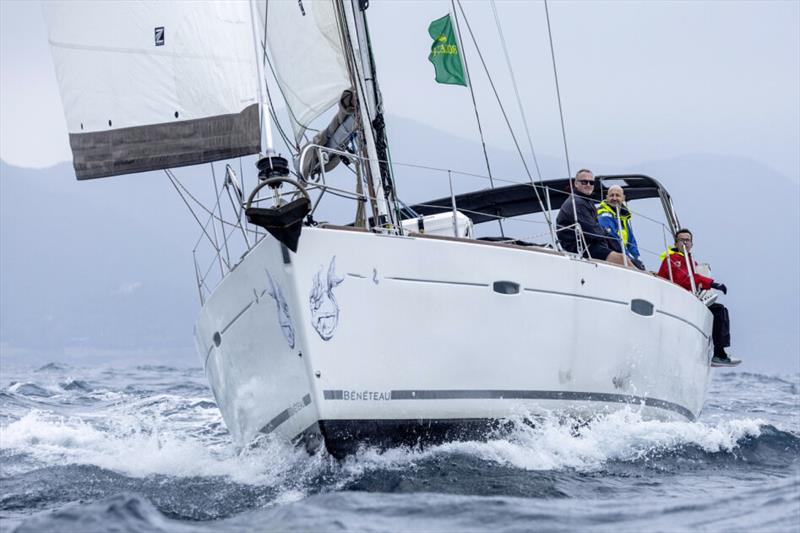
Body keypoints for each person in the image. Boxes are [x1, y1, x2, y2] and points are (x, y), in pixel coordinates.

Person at [657, 228, 739, 365]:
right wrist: (713, 284)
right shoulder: (672, 259)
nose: (685, 243)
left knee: (720, 310)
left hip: (685, 300)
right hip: (673, 301)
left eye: (687, 240)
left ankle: (719, 352)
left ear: (692, 244)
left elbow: (692, 279)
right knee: (718, 311)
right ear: (676, 243)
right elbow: (685, 279)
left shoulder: (690, 262)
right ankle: (719, 353)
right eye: (681, 240)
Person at [556, 169, 630, 266]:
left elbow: (597, 231)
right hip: (579, 248)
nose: (588, 185)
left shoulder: (586, 201)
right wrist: (607, 236)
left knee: (625, 258)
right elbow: (593, 231)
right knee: (621, 259)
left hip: (589, 245)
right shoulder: (577, 203)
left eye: (591, 182)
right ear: (576, 184)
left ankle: (640, 270)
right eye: (584, 182)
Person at [597, 185, 645, 270]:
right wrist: (630, 259)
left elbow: (631, 243)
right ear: (607, 197)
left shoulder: (623, 218)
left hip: (623, 257)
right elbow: (614, 240)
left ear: (623, 198)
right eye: (611, 195)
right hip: (610, 257)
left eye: (617, 195)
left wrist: (638, 259)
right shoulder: (604, 215)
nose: (614, 198)